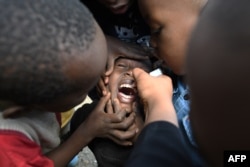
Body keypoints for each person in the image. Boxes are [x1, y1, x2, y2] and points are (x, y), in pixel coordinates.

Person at [0, 0, 136, 166]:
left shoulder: (27, 83)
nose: (102, 85)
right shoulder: (7, 148)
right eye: (83, 91)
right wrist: (86, 132)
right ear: (24, 108)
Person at [126, 0, 250, 167]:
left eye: (157, 30)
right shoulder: (171, 73)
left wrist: (159, 106)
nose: (152, 42)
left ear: (206, 23)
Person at [70, 57, 153, 167]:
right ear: (104, 81)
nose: (131, 72)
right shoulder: (89, 115)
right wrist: (87, 131)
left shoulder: (159, 126)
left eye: (143, 71)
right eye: (121, 66)